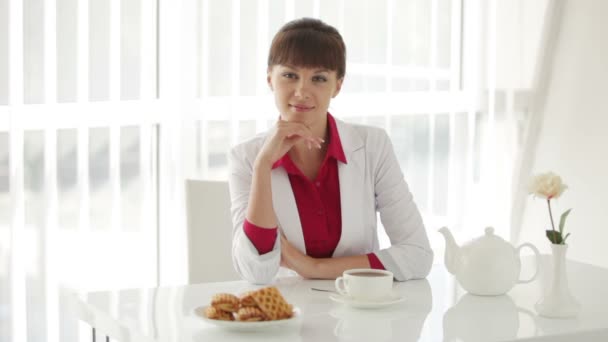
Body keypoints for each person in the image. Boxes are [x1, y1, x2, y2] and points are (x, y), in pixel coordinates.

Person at [228, 17, 433, 284]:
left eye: (319, 78)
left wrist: (312, 268)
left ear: (337, 86)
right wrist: (263, 165)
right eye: (290, 75)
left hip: (363, 313)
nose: (302, 91)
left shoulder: (373, 146)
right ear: (270, 79)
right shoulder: (247, 158)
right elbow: (256, 271)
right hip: (287, 316)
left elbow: (417, 255)